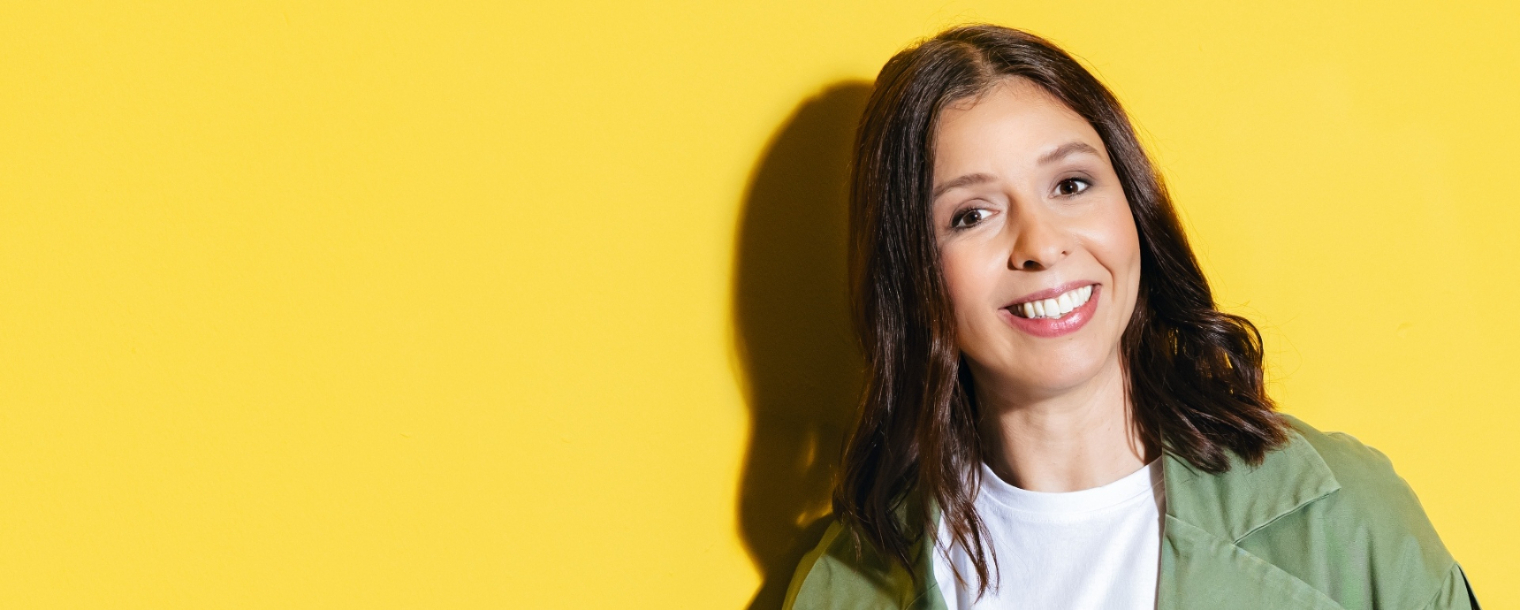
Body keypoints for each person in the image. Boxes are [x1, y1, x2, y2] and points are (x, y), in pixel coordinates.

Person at [782, 24, 1479, 610]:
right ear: (911, 271)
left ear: (1134, 210)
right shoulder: (846, 586)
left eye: (1071, 184)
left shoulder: (1342, 517)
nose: (1042, 244)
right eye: (972, 215)